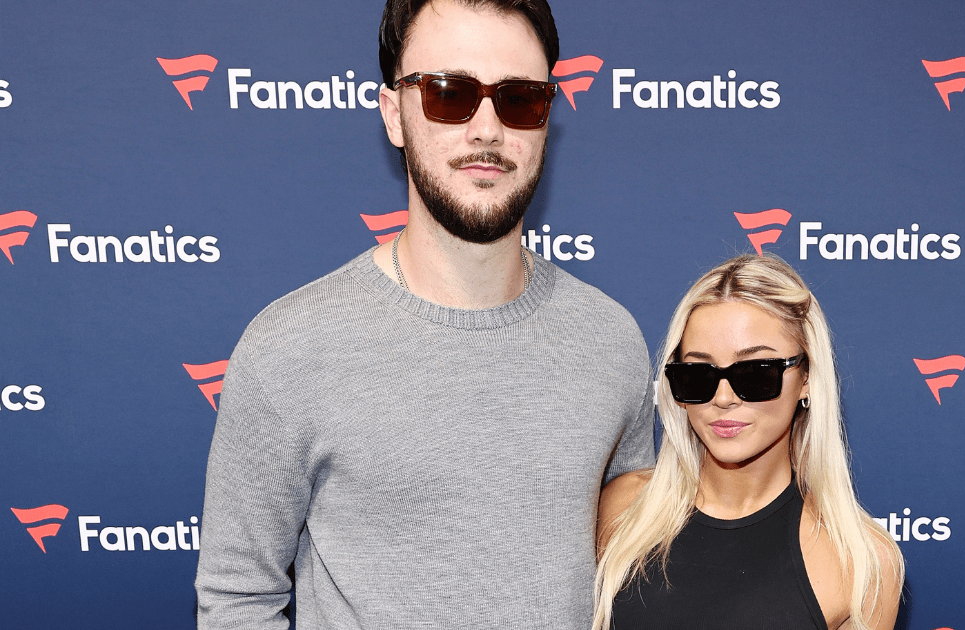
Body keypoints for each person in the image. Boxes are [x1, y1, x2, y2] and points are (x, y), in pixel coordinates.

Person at [194, 0, 655, 627]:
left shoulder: (611, 340)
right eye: (449, 94)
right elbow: (237, 601)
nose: (488, 129)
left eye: (520, 99)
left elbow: (632, 578)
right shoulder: (289, 348)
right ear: (394, 114)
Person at [593, 255, 903, 630]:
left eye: (756, 373)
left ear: (806, 377)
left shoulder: (861, 562)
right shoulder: (623, 509)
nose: (723, 398)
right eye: (698, 374)